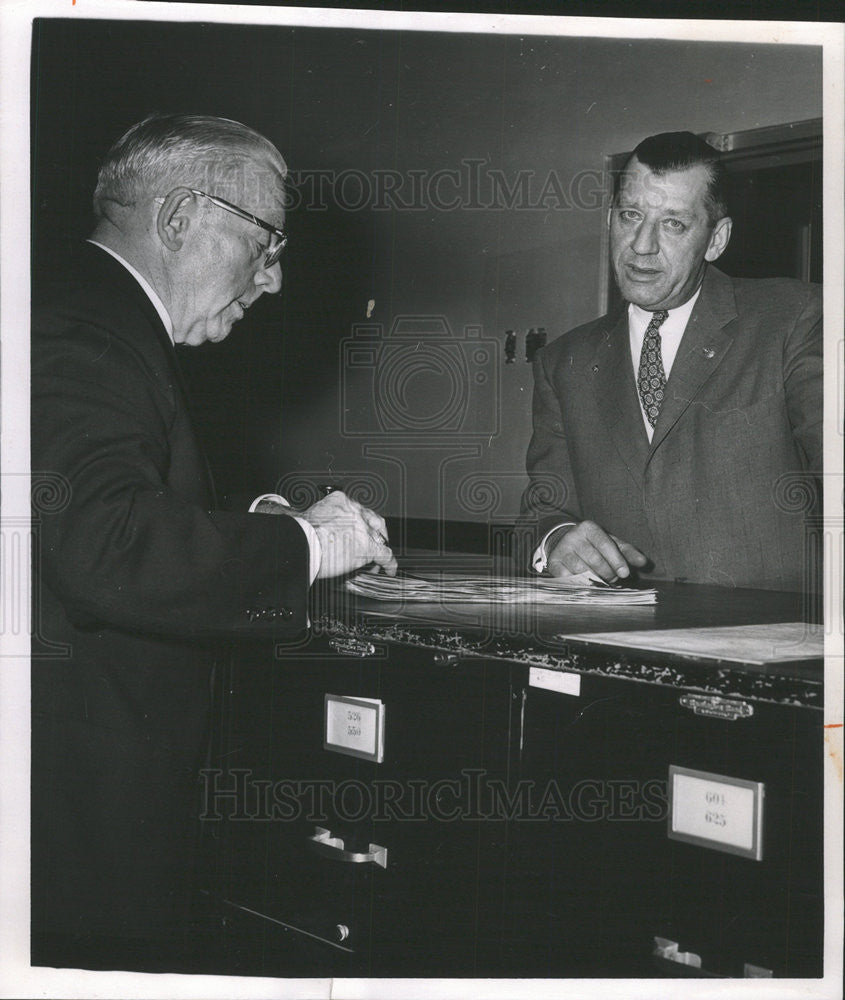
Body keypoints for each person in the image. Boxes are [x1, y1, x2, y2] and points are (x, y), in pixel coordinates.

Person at [30, 114, 396, 972]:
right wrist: (307, 546)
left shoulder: (82, 314)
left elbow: (91, 508)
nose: (272, 280)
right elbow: (103, 546)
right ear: (179, 217)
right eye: (265, 242)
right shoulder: (86, 335)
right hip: (78, 830)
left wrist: (251, 531)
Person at [522, 131, 822, 592]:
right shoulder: (563, 362)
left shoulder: (794, 318)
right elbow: (544, 507)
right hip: (620, 643)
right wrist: (558, 538)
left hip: (770, 640)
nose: (641, 245)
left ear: (716, 239)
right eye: (630, 215)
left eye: (673, 224)